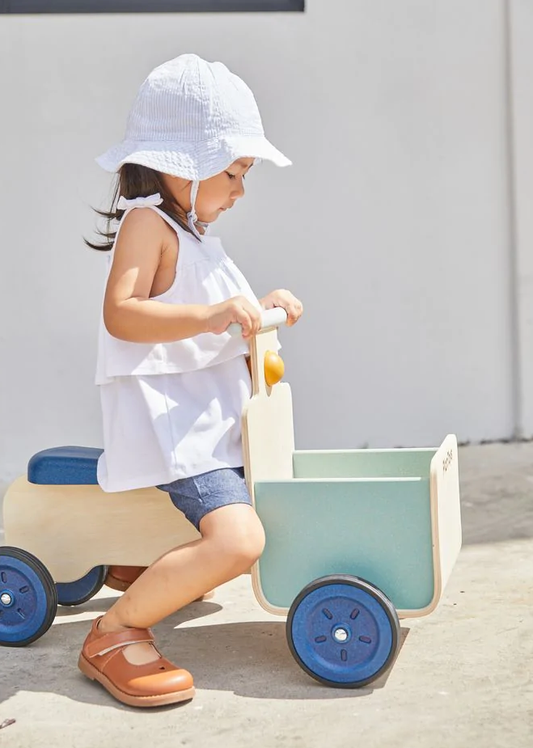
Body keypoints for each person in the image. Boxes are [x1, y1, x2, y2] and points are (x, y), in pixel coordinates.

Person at [78, 53, 303, 708]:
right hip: (181, 426)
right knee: (240, 540)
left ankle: (150, 566)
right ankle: (114, 632)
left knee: (263, 506)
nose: (239, 189)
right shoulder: (149, 222)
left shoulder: (197, 233)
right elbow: (122, 314)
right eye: (232, 172)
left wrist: (261, 306)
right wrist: (213, 314)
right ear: (182, 162)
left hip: (213, 416)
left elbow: (213, 314)